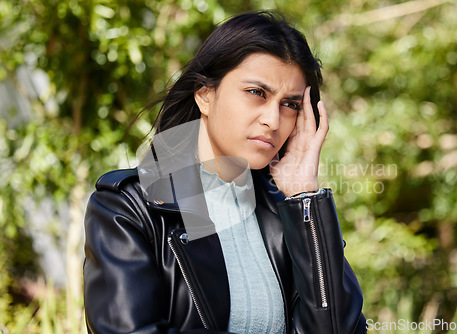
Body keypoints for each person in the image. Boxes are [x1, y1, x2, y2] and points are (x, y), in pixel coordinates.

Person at [83, 10, 366, 334]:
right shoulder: (128, 209)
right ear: (205, 94)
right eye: (257, 93)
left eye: (290, 104)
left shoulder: (288, 212)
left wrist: (304, 196)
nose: (272, 121)